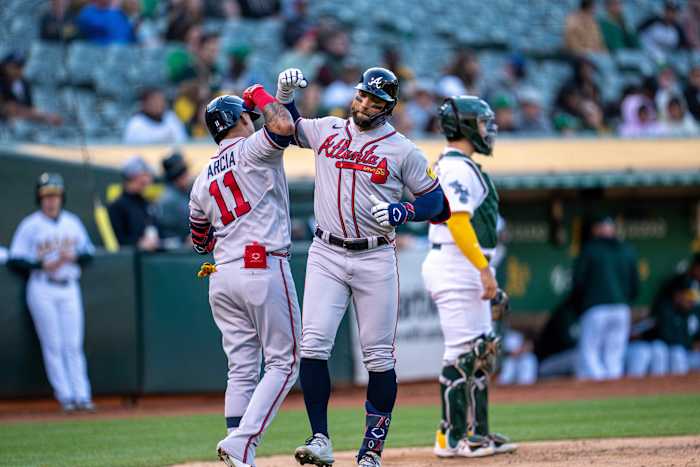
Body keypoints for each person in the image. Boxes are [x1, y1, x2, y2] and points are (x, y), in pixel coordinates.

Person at [276, 67, 448, 467]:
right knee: (314, 345)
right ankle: (320, 438)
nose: (364, 104)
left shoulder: (402, 149)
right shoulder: (328, 128)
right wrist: (282, 94)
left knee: (378, 357)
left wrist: (403, 209)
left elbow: (437, 203)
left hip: (375, 255)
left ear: (388, 107)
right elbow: (288, 127)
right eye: (361, 96)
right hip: (327, 252)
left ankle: (371, 450)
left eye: (373, 100)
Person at [188, 86, 299, 467]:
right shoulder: (253, 148)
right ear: (239, 120)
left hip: (222, 273)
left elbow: (199, 241)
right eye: (247, 115)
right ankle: (242, 443)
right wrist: (261, 95)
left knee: (242, 367)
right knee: (286, 362)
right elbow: (283, 124)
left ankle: (236, 448)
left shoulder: (200, 179)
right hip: (262, 264)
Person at [421, 96, 517, 459]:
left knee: (481, 351)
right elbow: (457, 221)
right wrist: (483, 269)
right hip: (457, 262)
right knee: (464, 352)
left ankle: (477, 432)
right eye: (481, 123)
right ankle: (451, 437)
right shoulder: (458, 167)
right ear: (464, 127)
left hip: (459, 261)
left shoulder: (455, 164)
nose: (487, 130)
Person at [7, 173, 95, 413]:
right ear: (40, 198)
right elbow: (15, 258)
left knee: (73, 344)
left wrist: (74, 256)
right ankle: (66, 397)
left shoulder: (72, 222)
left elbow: (89, 253)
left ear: (61, 197)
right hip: (42, 286)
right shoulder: (30, 225)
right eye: (46, 196)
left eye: (54, 195)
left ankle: (82, 396)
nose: (51, 200)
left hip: (69, 286)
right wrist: (39, 265)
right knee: (53, 345)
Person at [573, 215, 639, 380]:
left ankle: (599, 390)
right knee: (614, 356)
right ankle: (612, 394)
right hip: (621, 309)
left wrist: (581, 304)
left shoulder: (590, 249)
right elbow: (635, 286)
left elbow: (578, 282)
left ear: (597, 229)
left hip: (596, 308)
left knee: (589, 353)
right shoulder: (627, 249)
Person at [108, 156, 160, 250]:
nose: (148, 180)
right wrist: (139, 244)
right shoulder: (117, 206)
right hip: (131, 260)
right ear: (133, 177)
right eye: (144, 175)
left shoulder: (146, 203)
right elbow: (118, 241)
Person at [0, 52, 63, 127]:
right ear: (5, 67)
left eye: (21, 66)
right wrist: (46, 117)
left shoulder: (22, 83)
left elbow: (28, 106)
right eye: (15, 66)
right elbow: (6, 108)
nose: (19, 70)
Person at [123, 88, 187, 144]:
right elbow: (130, 151)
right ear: (144, 104)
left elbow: (182, 142)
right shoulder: (136, 124)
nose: (159, 104)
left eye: (161, 101)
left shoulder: (171, 118)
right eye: (154, 101)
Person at [154, 152, 192, 248]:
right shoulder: (168, 199)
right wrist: (184, 239)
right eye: (185, 174)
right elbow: (169, 233)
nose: (188, 177)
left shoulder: (184, 192)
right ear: (177, 177)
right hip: (174, 250)